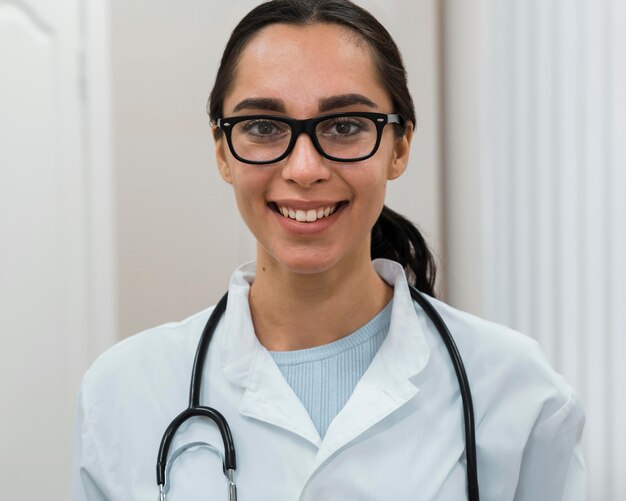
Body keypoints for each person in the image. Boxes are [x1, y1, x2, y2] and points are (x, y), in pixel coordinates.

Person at [70, 1, 586, 500]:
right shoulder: (123, 392)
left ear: (399, 146)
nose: (304, 168)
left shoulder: (517, 391)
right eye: (263, 127)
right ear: (223, 152)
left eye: (343, 126)